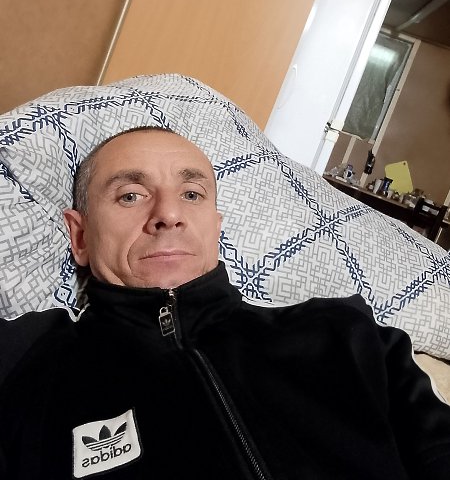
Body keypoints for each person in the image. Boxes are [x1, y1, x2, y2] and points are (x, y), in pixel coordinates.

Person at [0, 126, 449, 480]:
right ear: (80, 236)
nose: (168, 214)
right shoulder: (24, 362)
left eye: (191, 194)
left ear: (216, 227)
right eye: (130, 195)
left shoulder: (347, 335)